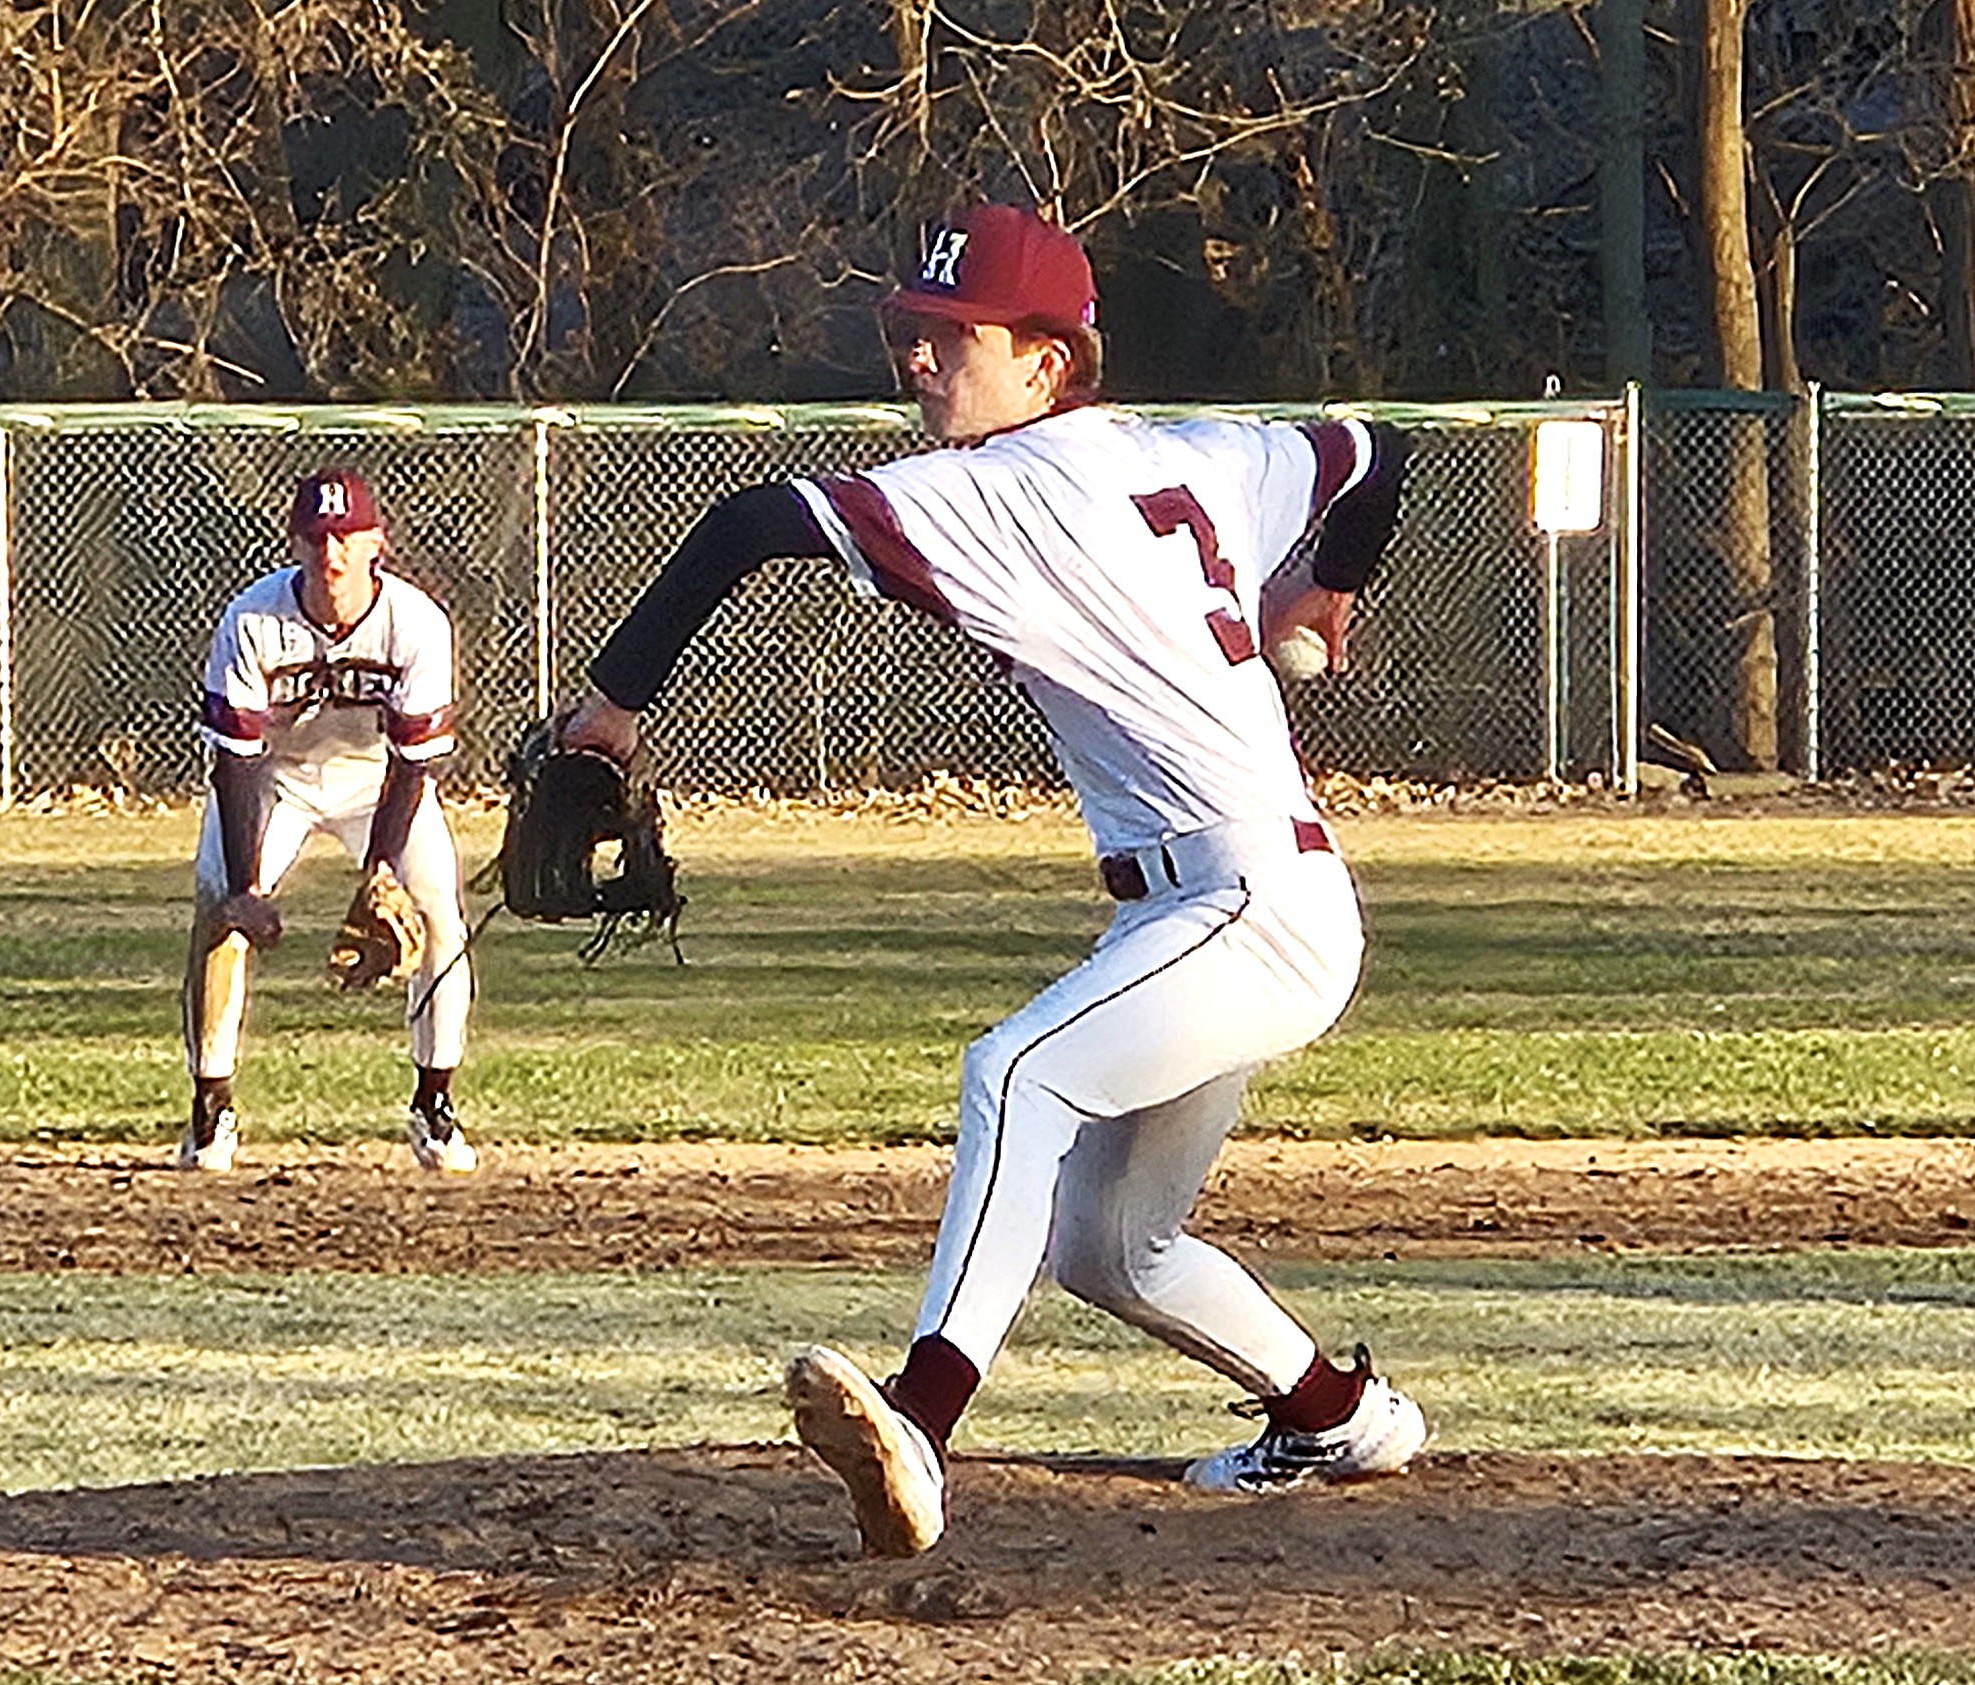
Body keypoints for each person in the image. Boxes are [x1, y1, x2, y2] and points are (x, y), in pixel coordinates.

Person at [560, 203, 1421, 1555]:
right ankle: (1336, 1411)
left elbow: (746, 522)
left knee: (1016, 1070)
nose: (918, 358)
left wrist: (613, 703)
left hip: (1246, 903)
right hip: (1220, 900)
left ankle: (920, 1414)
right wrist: (1327, 586)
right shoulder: (1200, 453)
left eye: (955, 338)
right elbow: (1371, 451)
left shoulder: (1001, 486)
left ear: (1045, 363)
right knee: (1111, 1243)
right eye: (912, 332)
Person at [178, 468, 478, 1176]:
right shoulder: (251, 619)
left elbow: (413, 764)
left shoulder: (416, 624)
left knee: (438, 914)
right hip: (275, 782)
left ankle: (434, 1102)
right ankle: (211, 1107)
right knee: (217, 913)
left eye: (346, 536)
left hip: (377, 784)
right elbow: (236, 764)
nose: (331, 553)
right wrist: (248, 888)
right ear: (294, 543)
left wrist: (379, 873)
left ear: (378, 542)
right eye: (316, 537)